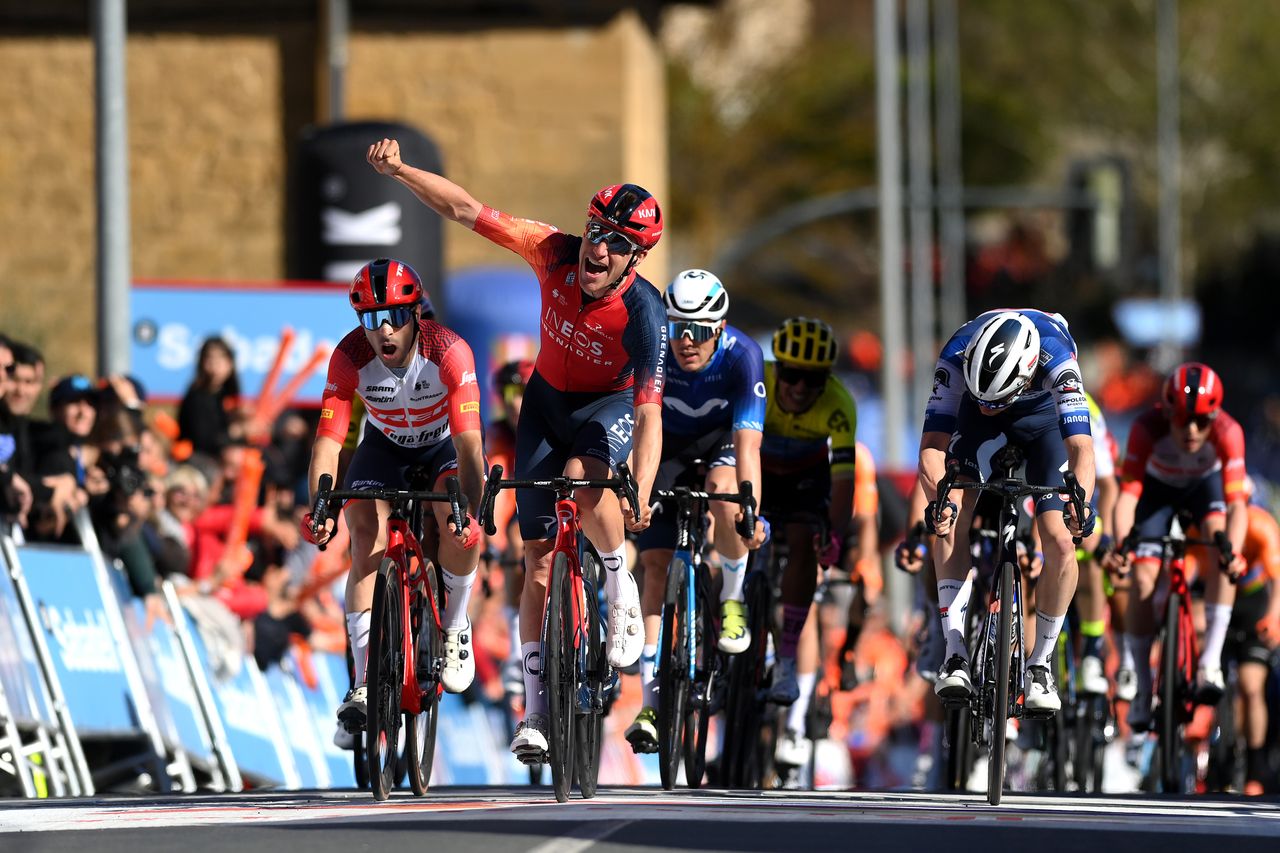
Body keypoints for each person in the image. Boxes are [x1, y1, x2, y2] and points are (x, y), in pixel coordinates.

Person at [366, 138, 668, 763]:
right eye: (594, 230)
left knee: (588, 482)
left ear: (634, 259)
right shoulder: (551, 249)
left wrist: (638, 484)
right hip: (546, 404)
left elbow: (647, 412)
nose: (598, 247)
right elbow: (465, 209)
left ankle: (620, 589)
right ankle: (534, 712)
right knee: (534, 561)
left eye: (615, 243)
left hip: (605, 409)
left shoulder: (645, 314)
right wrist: (399, 172)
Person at [301, 258, 485, 738]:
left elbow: (470, 447)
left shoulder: (451, 352)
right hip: (381, 448)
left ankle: (455, 625)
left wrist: (471, 512)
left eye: (395, 318)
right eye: (370, 320)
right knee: (364, 539)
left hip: (442, 446)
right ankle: (363, 683)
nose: (383, 331)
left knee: (457, 528)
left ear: (415, 316)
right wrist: (319, 505)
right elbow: (328, 441)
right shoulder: (349, 356)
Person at [919, 310, 1095, 715]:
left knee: (1060, 539)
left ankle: (1041, 666)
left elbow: (1082, 449)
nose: (987, 406)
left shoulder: (1058, 359)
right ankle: (955, 652)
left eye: (993, 400)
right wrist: (939, 499)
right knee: (950, 515)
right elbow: (931, 447)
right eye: (982, 396)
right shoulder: (955, 354)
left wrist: (1078, 503)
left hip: (1042, 421)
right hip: (971, 423)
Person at [624, 269, 766, 753]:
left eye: (700, 330)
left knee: (726, 492)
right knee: (655, 565)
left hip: (721, 446)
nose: (687, 340)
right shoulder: (654, 348)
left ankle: (730, 596)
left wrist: (750, 513)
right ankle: (648, 702)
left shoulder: (744, 357)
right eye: (678, 326)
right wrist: (634, 495)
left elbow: (749, 450)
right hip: (665, 449)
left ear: (719, 329)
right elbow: (638, 428)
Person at [1108, 362, 1247, 731]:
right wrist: (1122, 546)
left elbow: (1235, 505)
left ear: (1215, 417)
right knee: (1141, 579)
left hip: (1205, 489)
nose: (1192, 430)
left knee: (1223, 550)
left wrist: (1233, 552)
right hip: (1157, 493)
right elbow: (1126, 499)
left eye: (1202, 421)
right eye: (1183, 419)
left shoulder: (1229, 432)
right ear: (1167, 412)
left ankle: (1210, 663)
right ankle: (1141, 687)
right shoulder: (1145, 428)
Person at [760, 317, 858, 709]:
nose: (801, 387)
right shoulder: (758, 382)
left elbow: (844, 481)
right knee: (727, 539)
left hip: (806, 478)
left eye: (813, 380)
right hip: (759, 469)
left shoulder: (840, 404)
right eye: (793, 375)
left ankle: (786, 656)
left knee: (804, 540)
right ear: (778, 369)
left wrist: (833, 534)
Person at [486, 358, 534, 702]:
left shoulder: (554, 416)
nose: (515, 403)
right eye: (508, 395)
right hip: (530, 511)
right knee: (516, 543)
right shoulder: (500, 432)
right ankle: (519, 654)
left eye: (521, 393)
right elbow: (495, 486)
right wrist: (491, 540)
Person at [179, 336, 245, 458]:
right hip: (200, 460)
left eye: (221, 357)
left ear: (230, 363)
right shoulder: (196, 397)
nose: (215, 364)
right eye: (210, 358)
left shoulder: (228, 394)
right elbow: (202, 441)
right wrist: (235, 432)